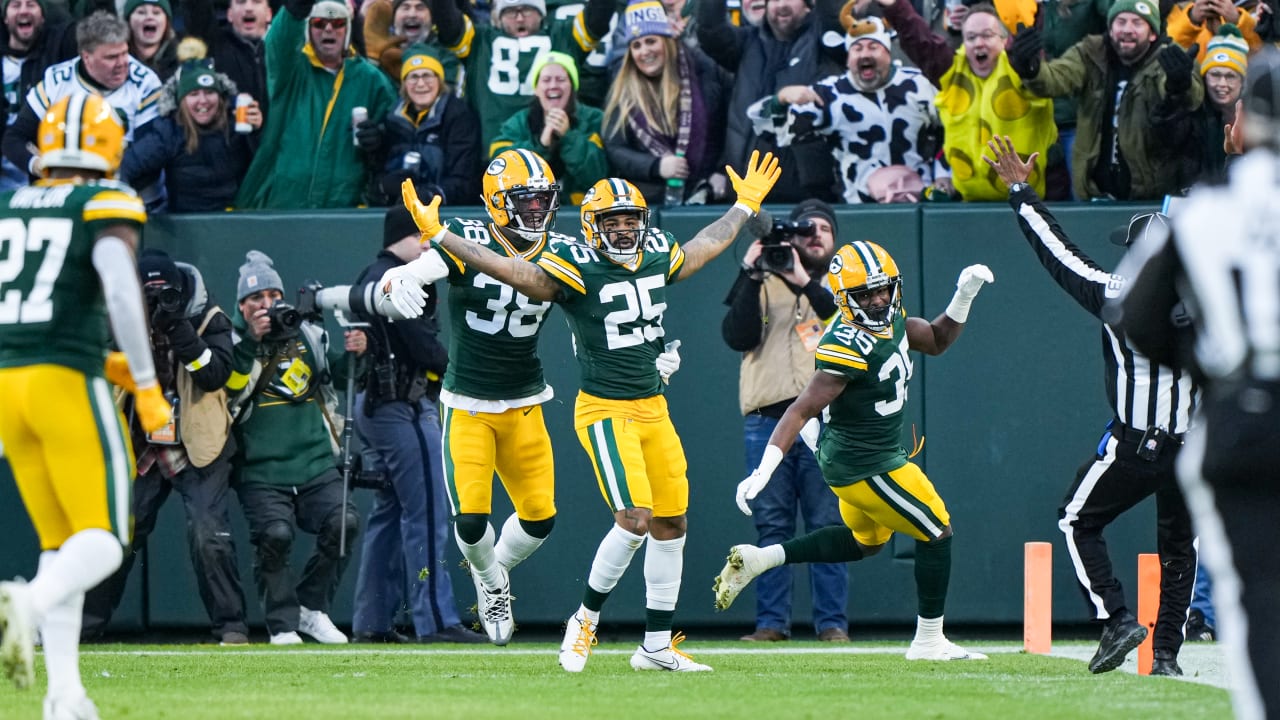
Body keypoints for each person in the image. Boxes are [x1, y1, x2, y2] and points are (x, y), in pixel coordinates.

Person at [395, 150, 783, 672]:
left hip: (650, 405)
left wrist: (741, 207)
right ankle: (582, 622)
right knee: (632, 519)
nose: (624, 232)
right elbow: (518, 272)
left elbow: (701, 247)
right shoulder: (573, 262)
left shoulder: (653, 253)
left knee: (671, 523)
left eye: (632, 221)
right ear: (593, 226)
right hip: (600, 407)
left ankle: (656, 646)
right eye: (612, 222)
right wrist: (437, 243)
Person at [713, 241, 994, 662]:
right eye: (866, 295)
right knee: (937, 531)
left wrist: (964, 293)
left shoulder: (892, 320)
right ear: (846, 300)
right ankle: (929, 641)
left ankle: (761, 559)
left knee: (866, 542)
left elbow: (936, 339)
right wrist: (764, 470)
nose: (879, 300)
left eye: (883, 290)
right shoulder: (848, 341)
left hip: (864, 456)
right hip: (866, 463)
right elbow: (802, 408)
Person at [983, 134, 1197, 676]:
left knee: (1077, 519)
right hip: (1192, 447)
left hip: (1137, 444)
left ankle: (1117, 617)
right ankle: (1166, 655)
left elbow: (1058, 255)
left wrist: (1020, 193)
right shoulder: (1212, 299)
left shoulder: (1116, 293)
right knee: (1178, 550)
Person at [1113, 47, 1280, 717]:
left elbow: (1139, 319)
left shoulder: (1204, 209)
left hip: (1241, 412)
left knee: (1256, 603)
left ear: (1246, 116)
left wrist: (1215, 364)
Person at [0, 93, 171, 719]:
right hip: (64, 382)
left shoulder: (10, 203)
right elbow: (123, 296)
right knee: (105, 539)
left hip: (9, 385)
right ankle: (26, 603)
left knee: (62, 540)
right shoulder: (103, 202)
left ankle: (63, 694)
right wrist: (148, 386)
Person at [365, 148, 573, 647]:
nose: (538, 211)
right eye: (526, 201)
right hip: (469, 404)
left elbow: (591, 315)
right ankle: (489, 581)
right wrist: (399, 282)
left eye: (544, 200)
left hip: (525, 401)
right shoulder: (469, 236)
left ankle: (492, 572)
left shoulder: (561, 248)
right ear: (499, 204)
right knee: (472, 518)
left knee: (540, 519)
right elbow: (418, 269)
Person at [80, 250, 249, 646]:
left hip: (198, 443)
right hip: (141, 443)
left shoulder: (208, 317)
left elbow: (214, 376)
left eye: (165, 292)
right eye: (148, 293)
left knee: (209, 534)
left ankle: (231, 626)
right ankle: (84, 625)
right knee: (118, 535)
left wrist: (178, 328)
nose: (157, 300)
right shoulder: (118, 316)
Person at [347, 207, 486, 644]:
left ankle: (372, 623)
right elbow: (423, 347)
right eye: (420, 237)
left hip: (377, 405)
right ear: (401, 237)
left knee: (389, 514)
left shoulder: (374, 273)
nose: (428, 246)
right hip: (400, 408)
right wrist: (464, 371)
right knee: (426, 512)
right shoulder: (396, 276)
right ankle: (436, 620)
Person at [721, 199, 849, 643]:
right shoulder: (761, 280)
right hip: (767, 421)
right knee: (771, 525)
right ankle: (770, 624)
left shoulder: (842, 284)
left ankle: (832, 625)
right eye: (806, 230)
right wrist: (750, 270)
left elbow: (842, 320)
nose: (814, 236)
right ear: (789, 238)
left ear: (834, 242)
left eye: (824, 231)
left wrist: (800, 279)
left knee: (828, 524)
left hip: (826, 423)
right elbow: (736, 335)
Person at [226, 250, 364, 644]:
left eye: (273, 295)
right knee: (275, 534)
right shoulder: (233, 339)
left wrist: (357, 352)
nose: (267, 305)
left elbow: (336, 376)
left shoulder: (306, 332)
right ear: (241, 305)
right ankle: (282, 623)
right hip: (259, 467)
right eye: (256, 299)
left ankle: (311, 609)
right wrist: (251, 342)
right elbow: (232, 392)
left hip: (315, 459)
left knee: (344, 524)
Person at [1005, 0, 1205, 200]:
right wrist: (1029, 68)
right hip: (1094, 193)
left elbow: (1193, 97)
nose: (1127, 29)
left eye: (1137, 23)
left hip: (1149, 196)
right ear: (1110, 28)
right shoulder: (1090, 52)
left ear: (1153, 33)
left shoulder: (1168, 57)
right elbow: (1054, 79)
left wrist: (1179, 85)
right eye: (1121, 22)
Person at [747, 15, 945, 204]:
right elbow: (766, 129)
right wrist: (780, 100)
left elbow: (956, 130)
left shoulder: (920, 85)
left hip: (921, 203)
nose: (865, 54)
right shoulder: (831, 94)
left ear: (888, 52)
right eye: (857, 48)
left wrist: (945, 175)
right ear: (848, 58)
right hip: (859, 206)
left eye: (873, 47)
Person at [875, 0, 1057, 200]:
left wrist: (1029, 63)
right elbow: (921, 42)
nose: (979, 43)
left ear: (1004, 40)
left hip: (1027, 201)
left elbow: (1030, 49)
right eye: (971, 37)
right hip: (968, 206)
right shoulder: (952, 72)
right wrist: (895, 6)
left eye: (987, 35)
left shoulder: (1020, 70)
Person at [234, 0, 397, 209]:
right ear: (308, 29)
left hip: (343, 207)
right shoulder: (291, 69)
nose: (328, 29)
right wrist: (296, 9)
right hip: (282, 203)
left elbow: (395, 132)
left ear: (347, 30)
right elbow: (278, 41)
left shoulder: (371, 80)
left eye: (337, 23)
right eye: (319, 23)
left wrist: (380, 140)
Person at [696, 0, 844, 203]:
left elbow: (835, 18)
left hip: (807, 196)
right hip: (745, 189)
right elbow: (710, 31)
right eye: (773, 0)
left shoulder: (825, 41)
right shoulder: (747, 42)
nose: (781, 5)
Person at [2, 12, 162, 189]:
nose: (122, 63)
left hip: (132, 199)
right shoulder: (57, 81)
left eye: (124, 53)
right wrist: (39, 166)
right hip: (64, 198)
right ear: (86, 57)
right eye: (111, 57)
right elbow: (13, 139)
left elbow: (150, 153)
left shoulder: (146, 82)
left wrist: (98, 180)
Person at [432, 0, 613, 153]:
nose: (519, 18)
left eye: (527, 10)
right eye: (510, 12)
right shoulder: (480, 40)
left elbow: (598, 18)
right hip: (495, 154)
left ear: (541, 13)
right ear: (499, 17)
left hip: (555, 154)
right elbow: (448, 23)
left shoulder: (562, 35)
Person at [602, 0, 730, 206]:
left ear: (667, 41)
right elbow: (615, 147)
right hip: (647, 201)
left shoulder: (702, 71)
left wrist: (721, 171)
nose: (644, 51)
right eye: (636, 45)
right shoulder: (622, 89)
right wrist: (655, 166)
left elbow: (726, 125)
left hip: (703, 195)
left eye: (651, 41)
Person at [120, 56, 263, 213]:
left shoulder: (236, 122)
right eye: (194, 94)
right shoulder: (169, 131)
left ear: (220, 97)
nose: (203, 101)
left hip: (235, 219)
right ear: (182, 100)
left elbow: (265, 167)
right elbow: (126, 167)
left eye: (209, 92)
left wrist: (258, 132)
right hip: (186, 224)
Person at [361, 43, 481, 207]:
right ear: (404, 83)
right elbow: (377, 177)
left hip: (445, 214)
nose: (421, 84)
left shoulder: (458, 116)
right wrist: (384, 186)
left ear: (439, 80)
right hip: (401, 213)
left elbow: (465, 179)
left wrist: (431, 194)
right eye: (413, 77)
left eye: (427, 75)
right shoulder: (392, 118)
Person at [491, 50, 609, 205]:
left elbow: (599, 177)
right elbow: (499, 168)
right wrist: (540, 145)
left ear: (573, 86)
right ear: (536, 89)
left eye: (560, 79)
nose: (553, 86)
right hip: (530, 213)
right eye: (546, 80)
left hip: (583, 211)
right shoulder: (518, 122)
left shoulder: (596, 119)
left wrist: (568, 137)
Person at [1, 0, 77, 189]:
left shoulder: (59, 55)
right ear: (4, 17)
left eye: (31, 5)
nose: (24, 11)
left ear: (43, 16)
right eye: (16, 5)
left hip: (45, 180)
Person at [183, 0, 273, 121]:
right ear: (229, 14)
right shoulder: (215, 45)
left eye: (256, 2)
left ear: (269, 14)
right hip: (231, 136)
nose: (248, 8)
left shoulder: (285, 49)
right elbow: (197, 10)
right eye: (240, 2)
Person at [1191, 24, 1248, 184]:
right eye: (1215, 74)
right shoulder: (1193, 115)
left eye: (1230, 76)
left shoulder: (1254, 122)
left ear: (1243, 82)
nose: (1222, 84)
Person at [124, 0, 177, 81]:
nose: (149, 17)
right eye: (141, 12)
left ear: (167, 21)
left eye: (156, 13)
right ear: (128, 21)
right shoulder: (116, 63)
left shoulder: (182, 65)